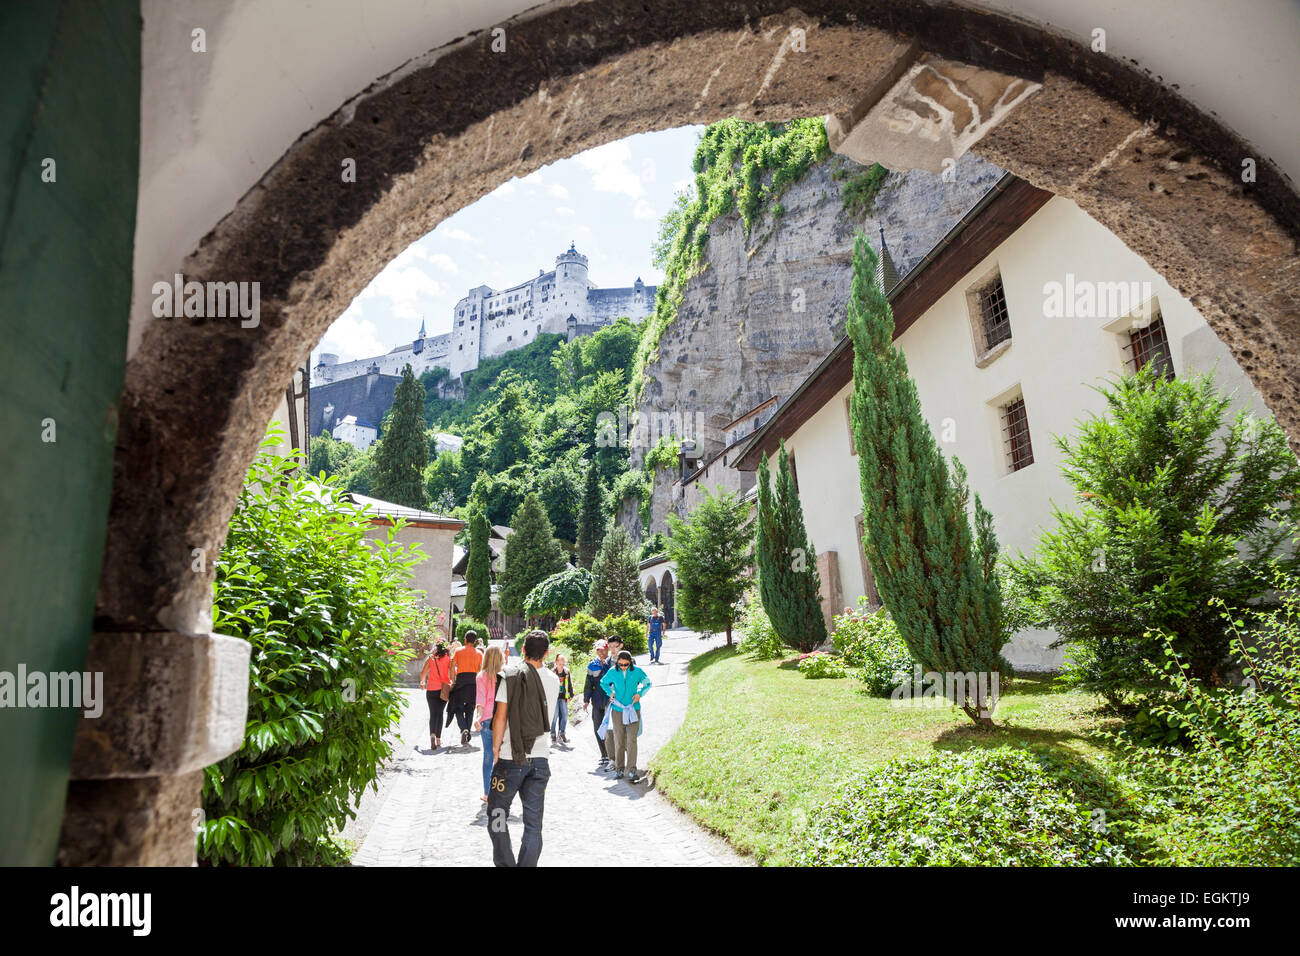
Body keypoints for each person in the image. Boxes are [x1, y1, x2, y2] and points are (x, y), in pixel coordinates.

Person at [488, 629, 559, 867]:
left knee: (497, 813)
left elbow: (500, 717)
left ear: (524, 650)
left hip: (511, 758)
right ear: (547, 653)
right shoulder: (554, 679)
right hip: (540, 760)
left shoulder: (511, 676)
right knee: (533, 824)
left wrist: (496, 750)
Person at [600, 650, 652, 782]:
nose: (623, 666)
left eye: (626, 664)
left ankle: (632, 770)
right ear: (617, 662)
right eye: (621, 664)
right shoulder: (612, 671)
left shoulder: (637, 671)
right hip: (617, 709)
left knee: (631, 739)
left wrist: (640, 693)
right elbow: (603, 682)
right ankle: (619, 769)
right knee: (618, 739)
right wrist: (610, 693)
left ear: (630, 662)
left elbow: (648, 683)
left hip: (633, 709)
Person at [474, 645, 505, 808]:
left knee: (488, 756)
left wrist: (478, 717)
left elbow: (481, 700)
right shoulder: (505, 676)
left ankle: (487, 793)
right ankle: (500, 792)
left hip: (486, 719)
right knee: (500, 756)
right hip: (503, 720)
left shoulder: (481, 676)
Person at [447, 632, 483, 746]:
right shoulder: (479, 653)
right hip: (473, 682)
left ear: (465, 640)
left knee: (457, 707)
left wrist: (452, 680)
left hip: (461, 681)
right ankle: (466, 732)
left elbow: (452, 666)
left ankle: (463, 729)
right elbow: (480, 671)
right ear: (475, 641)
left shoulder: (458, 651)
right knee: (470, 709)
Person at [583, 640, 613, 769]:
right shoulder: (592, 665)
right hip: (596, 701)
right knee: (597, 728)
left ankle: (611, 755)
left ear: (608, 650)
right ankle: (603, 755)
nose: (601, 653)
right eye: (599, 650)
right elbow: (588, 683)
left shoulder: (611, 663)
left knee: (608, 728)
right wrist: (586, 700)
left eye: (603, 650)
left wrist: (605, 665)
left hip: (609, 700)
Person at [419, 642, 452, 749]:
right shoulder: (448, 658)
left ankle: (432, 735)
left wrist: (422, 682)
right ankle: (438, 740)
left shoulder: (431, 658)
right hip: (443, 689)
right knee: (440, 714)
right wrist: (452, 681)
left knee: (433, 714)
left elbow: (423, 672)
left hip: (431, 689)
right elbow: (452, 672)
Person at [550, 654, 574, 744]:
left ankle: (562, 733)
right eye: (560, 664)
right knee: (555, 716)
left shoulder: (566, 672)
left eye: (563, 664)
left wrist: (571, 695)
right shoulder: (552, 672)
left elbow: (569, 684)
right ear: (556, 662)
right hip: (554, 697)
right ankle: (552, 734)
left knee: (564, 715)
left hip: (563, 697)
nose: (561, 666)